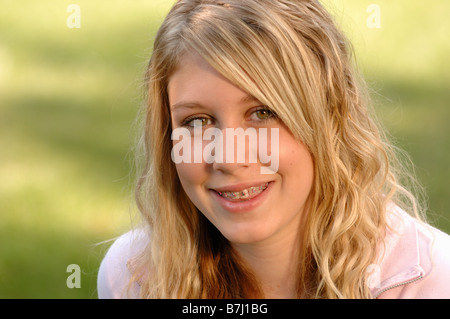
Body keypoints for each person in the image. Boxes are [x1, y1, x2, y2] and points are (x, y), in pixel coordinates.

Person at [97, 0, 450, 299]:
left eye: (263, 113)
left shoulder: (424, 281)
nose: (230, 159)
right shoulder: (136, 278)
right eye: (197, 121)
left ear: (329, 118)